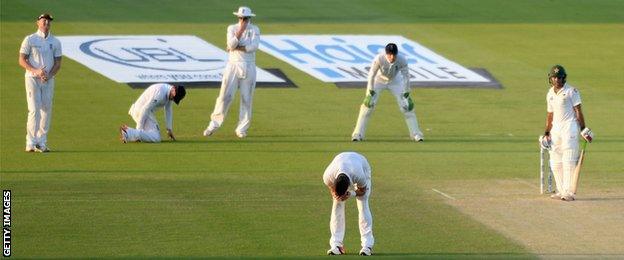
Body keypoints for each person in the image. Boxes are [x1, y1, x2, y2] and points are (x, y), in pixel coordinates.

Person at [203, 6, 260, 138]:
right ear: (238, 17)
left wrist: (236, 47)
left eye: (245, 18)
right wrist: (240, 31)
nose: (243, 20)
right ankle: (214, 124)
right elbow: (231, 44)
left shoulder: (255, 29)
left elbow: (253, 47)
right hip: (233, 65)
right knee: (224, 96)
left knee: (247, 98)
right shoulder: (232, 28)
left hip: (249, 65)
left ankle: (241, 129)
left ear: (249, 18)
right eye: (241, 18)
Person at [351, 43, 424, 142]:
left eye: (394, 54)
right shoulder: (379, 59)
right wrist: (370, 92)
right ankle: (357, 134)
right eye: (389, 54)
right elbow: (371, 75)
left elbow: (406, 77)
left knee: (407, 107)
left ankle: (416, 134)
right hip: (378, 81)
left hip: (396, 82)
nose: (392, 57)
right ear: (386, 54)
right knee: (367, 106)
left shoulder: (402, 60)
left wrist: (407, 93)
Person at [542, 65, 592, 201]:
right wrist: (547, 132)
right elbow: (550, 115)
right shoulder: (550, 93)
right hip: (555, 129)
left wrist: (583, 129)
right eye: (554, 77)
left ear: (564, 78)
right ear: (550, 78)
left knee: (568, 159)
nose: (557, 80)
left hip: (569, 127)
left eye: (559, 77)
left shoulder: (571, 91)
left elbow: (578, 111)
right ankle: (561, 190)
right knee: (555, 160)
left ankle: (569, 192)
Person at [19, 13, 62, 152]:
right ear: (37, 23)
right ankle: (30, 143)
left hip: (48, 80)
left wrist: (49, 75)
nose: (46, 24)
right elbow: (22, 60)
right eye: (44, 21)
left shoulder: (55, 42)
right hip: (32, 79)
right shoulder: (30, 39)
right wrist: (36, 71)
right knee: (34, 110)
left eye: (49, 22)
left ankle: (41, 142)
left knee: (46, 110)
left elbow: (58, 63)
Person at [323, 152, 374, 256]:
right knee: (337, 202)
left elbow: (362, 191)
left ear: (349, 185)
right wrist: (335, 194)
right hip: (341, 160)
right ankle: (336, 245)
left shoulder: (359, 175)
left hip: (361, 163)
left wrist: (351, 193)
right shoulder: (328, 176)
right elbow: (331, 188)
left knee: (362, 202)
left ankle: (367, 246)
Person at [120, 83, 186, 143]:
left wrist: (169, 129)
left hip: (145, 111)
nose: (173, 99)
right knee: (156, 137)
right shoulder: (160, 93)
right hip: (140, 111)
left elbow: (168, 109)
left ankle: (129, 133)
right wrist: (139, 129)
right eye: (174, 97)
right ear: (173, 89)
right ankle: (128, 132)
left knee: (155, 135)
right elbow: (145, 108)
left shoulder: (170, 93)